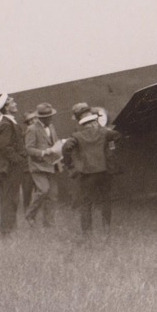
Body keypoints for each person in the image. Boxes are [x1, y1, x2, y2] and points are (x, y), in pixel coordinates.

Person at [63, 102, 121, 238]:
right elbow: (117, 135)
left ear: (82, 123)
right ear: (94, 120)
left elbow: (66, 148)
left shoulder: (77, 136)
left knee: (86, 204)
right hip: (104, 171)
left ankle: (87, 234)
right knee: (106, 200)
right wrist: (110, 149)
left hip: (87, 174)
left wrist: (70, 164)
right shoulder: (103, 132)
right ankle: (106, 230)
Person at [0, 95, 29, 238]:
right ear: (6, 107)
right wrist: (18, 159)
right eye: (12, 103)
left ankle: (9, 230)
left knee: (11, 199)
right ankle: (6, 232)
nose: (15, 104)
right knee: (9, 199)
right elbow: (4, 146)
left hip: (8, 166)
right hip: (10, 167)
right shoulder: (7, 124)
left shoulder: (7, 123)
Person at [24, 102, 62, 228]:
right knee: (43, 190)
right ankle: (30, 214)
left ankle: (49, 224)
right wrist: (43, 152)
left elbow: (55, 143)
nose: (51, 118)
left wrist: (59, 152)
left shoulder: (51, 126)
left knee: (53, 195)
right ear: (41, 118)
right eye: (49, 116)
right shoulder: (32, 129)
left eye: (51, 115)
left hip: (52, 165)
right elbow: (29, 149)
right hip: (38, 166)